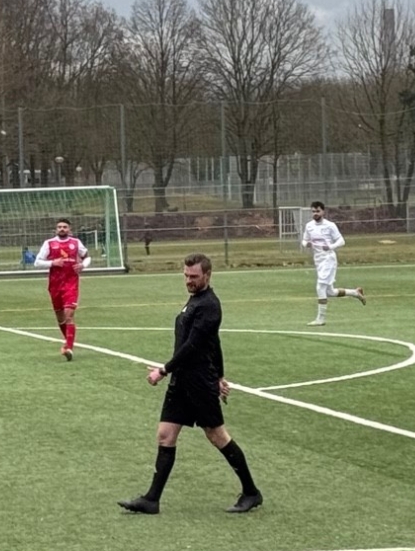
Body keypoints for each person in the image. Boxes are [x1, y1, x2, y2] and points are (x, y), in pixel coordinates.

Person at [118, 253, 263, 515]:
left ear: (207, 275)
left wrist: (163, 370)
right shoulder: (195, 300)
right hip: (182, 381)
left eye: (194, 277)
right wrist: (221, 375)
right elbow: (214, 342)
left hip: (198, 383)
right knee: (165, 435)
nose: (188, 281)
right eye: (186, 276)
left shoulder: (209, 305)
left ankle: (251, 492)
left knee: (217, 436)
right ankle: (151, 500)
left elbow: (193, 346)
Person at [300, 202, 366, 326]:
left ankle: (321, 319)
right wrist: (306, 244)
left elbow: (341, 241)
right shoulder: (309, 226)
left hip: (328, 259)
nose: (315, 214)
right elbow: (304, 240)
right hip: (318, 260)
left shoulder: (330, 225)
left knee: (320, 287)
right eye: (313, 211)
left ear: (323, 212)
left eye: (318, 211)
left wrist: (330, 247)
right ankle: (355, 293)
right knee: (329, 292)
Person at [35, 218, 90, 361]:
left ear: (69, 229)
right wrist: (53, 262)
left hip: (71, 284)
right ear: (56, 229)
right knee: (60, 317)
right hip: (55, 285)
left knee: (68, 315)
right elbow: (37, 262)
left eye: (65, 227)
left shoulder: (76, 243)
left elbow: (87, 257)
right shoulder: (49, 243)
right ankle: (68, 341)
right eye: (59, 227)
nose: (62, 229)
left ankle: (68, 348)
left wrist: (83, 265)